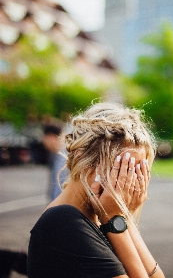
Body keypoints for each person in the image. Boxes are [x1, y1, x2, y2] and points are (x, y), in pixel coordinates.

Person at [28, 102, 165, 278]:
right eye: (122, 170)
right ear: (82, 158)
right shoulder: (63, 222)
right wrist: (115, 221)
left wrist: (123, 218)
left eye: (138, 171)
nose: (129, 183)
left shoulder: (102, 215)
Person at [42, 123, 69, 200]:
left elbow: (59, 188)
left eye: (44, 138)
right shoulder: (57, 155)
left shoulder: (64, 158)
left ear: (51, 137)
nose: (44, 142)